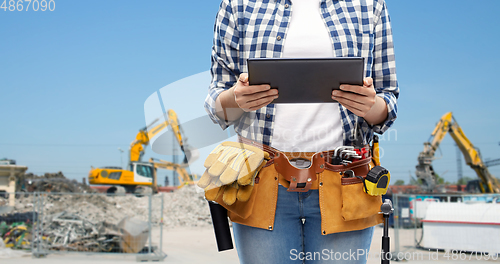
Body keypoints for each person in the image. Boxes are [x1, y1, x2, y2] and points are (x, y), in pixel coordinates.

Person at [204, 0, 399, 263]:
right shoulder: (238, 4)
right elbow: (218, 107)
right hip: (261, 180)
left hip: (344, 181)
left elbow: (387, 100)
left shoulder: (369, 5)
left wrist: (369, 105)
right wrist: (235, 99)